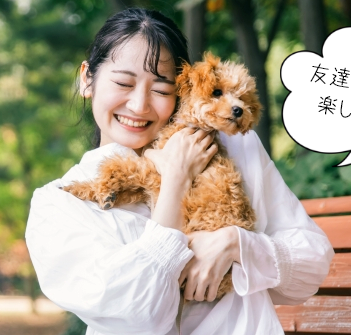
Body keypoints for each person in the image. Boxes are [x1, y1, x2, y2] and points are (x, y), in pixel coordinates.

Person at [25, 8, 333, 335]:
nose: (140, 105)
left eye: (161, 89)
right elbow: (142, 316)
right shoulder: (58, 204)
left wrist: (236, 244)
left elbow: (312, 265)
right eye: (123, 83)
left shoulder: (233, 148)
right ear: (88, 79)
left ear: (183, 90)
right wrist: (175, 179)